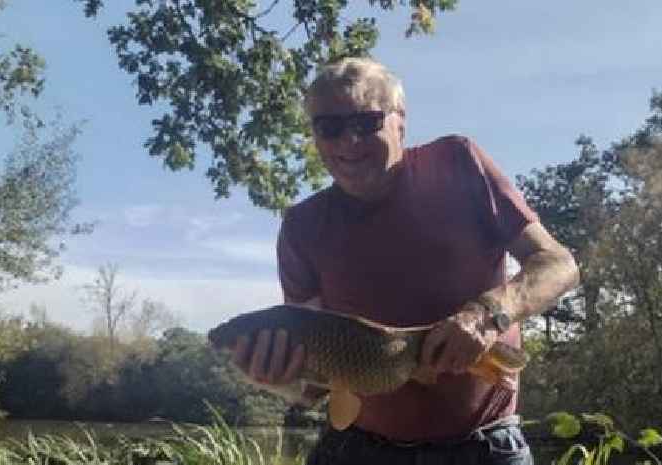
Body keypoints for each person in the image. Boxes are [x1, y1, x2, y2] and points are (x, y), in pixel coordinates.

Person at [227, 57, 579, 464]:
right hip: (359, 448)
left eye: (366, 123)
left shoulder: (458, 162)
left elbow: (558, 263)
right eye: (330, 127)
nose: (348, 142)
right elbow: (316, 386)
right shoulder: (301, 227)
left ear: (400, 122)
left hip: (482, 446)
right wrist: (279, 379)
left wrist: (490, 314)